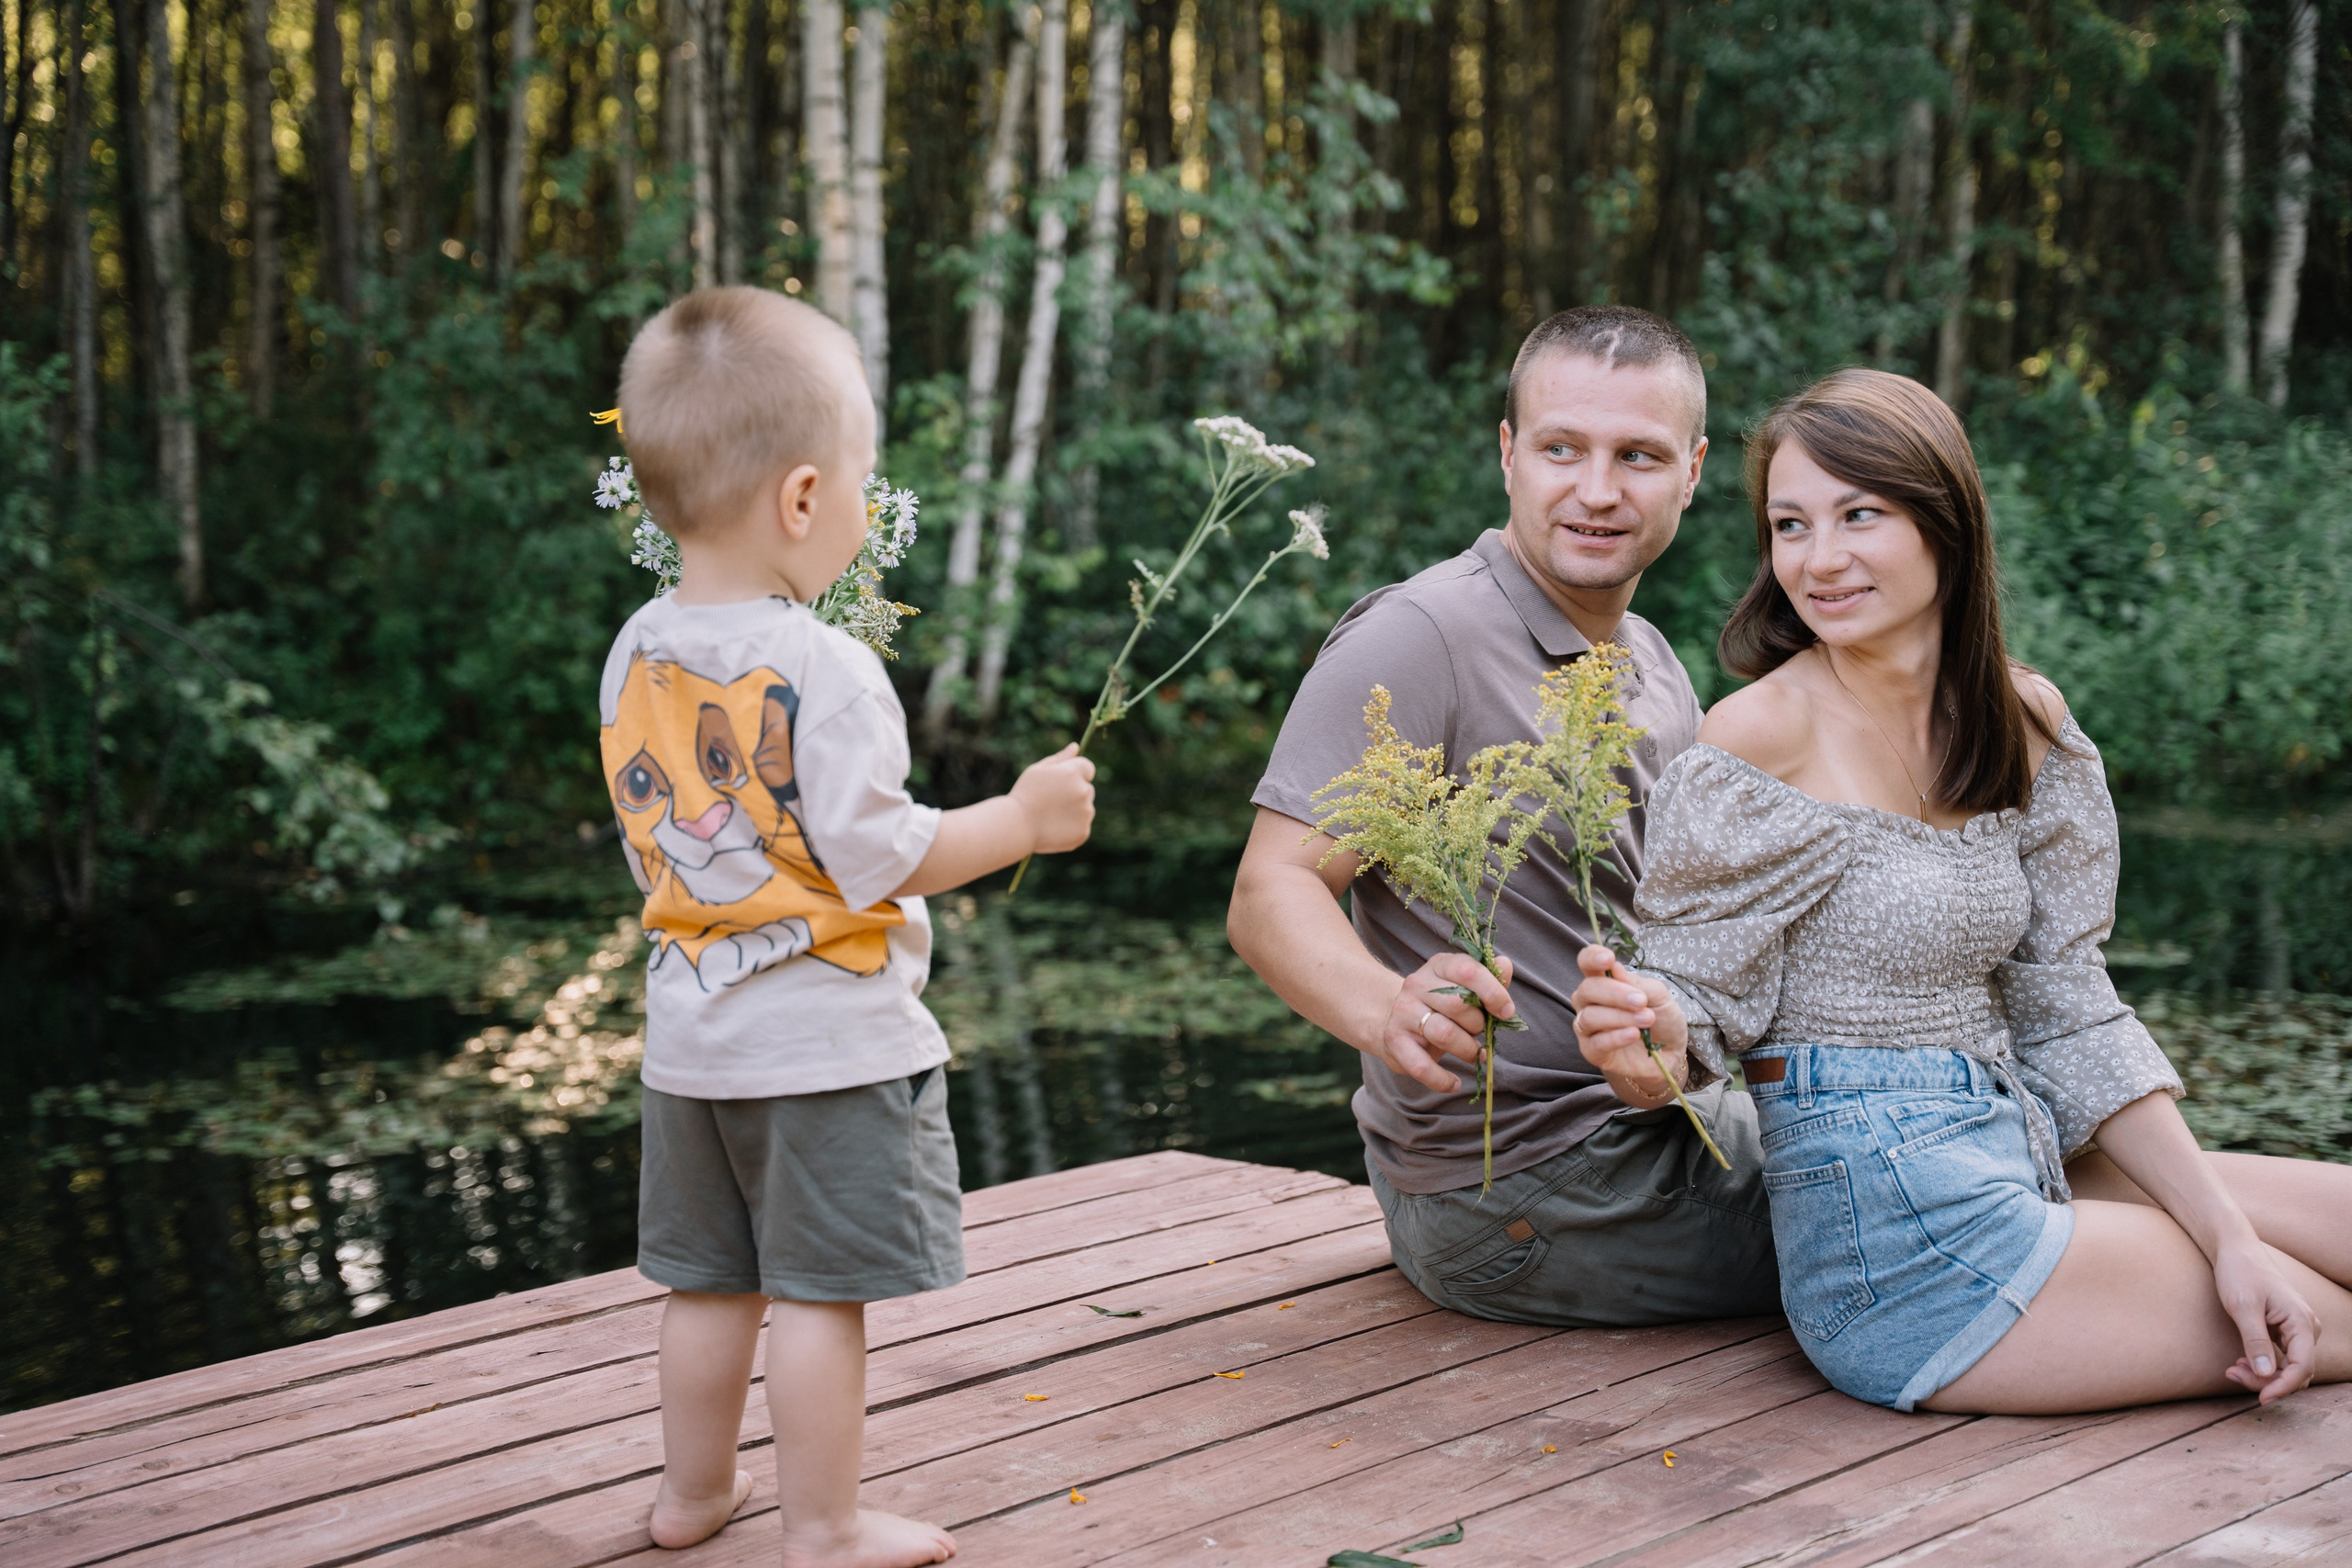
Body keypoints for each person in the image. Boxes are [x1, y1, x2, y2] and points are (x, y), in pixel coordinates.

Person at [1572, 367, 2352, 1414]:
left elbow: (2069, 1007)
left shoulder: (2021, 722)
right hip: (1897, 1240)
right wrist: (1642, 1034)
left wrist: (2221, 1229)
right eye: (1790, 525)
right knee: (2321, 1314)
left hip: (2019, 1141)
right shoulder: (1758, 736)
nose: (1820, 559)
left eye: (1860, 516)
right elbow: (1692, 1024)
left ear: (1945, 521)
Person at [598, 287, 1095, 1564]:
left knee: (709, 1282)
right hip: (826, 1050)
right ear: (803, 499)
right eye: (866, 483)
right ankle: (822, 1524)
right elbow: (884, 856)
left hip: (691, 1043)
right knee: (821, 1295)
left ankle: (690, 1495)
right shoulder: (826, 667)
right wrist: (1024, 816)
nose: (870, 511)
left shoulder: (634, 652)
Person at [1228, 306, 1781, 1328]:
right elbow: (1273, 890)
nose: (1597, 490)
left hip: (1653, 1129)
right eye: (1561, 448)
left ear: (1694, 471)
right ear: (1507, 455)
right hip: (1520, 1194)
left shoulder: (1653, 662)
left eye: (1639, 456)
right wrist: (1385, 1007)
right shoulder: (1420, 637)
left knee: (1961, 1150)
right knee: (1922, 1214)